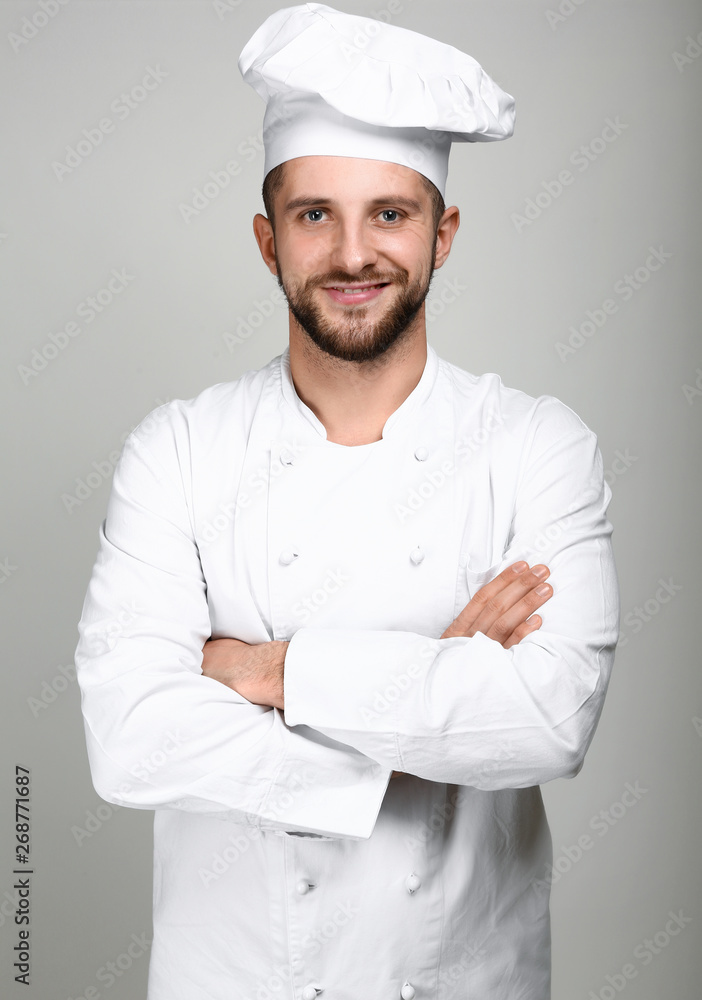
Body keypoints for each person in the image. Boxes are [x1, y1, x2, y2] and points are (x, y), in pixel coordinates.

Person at [74, 5, 619, 999]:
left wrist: (268, 672)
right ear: (266, 240)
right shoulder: (180, 451)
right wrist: (435, 693)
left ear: (443, 234)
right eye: (315, 213)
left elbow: (548, 719)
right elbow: (130, 734)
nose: (353, 254)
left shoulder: (538, 446)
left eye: (392, 214)